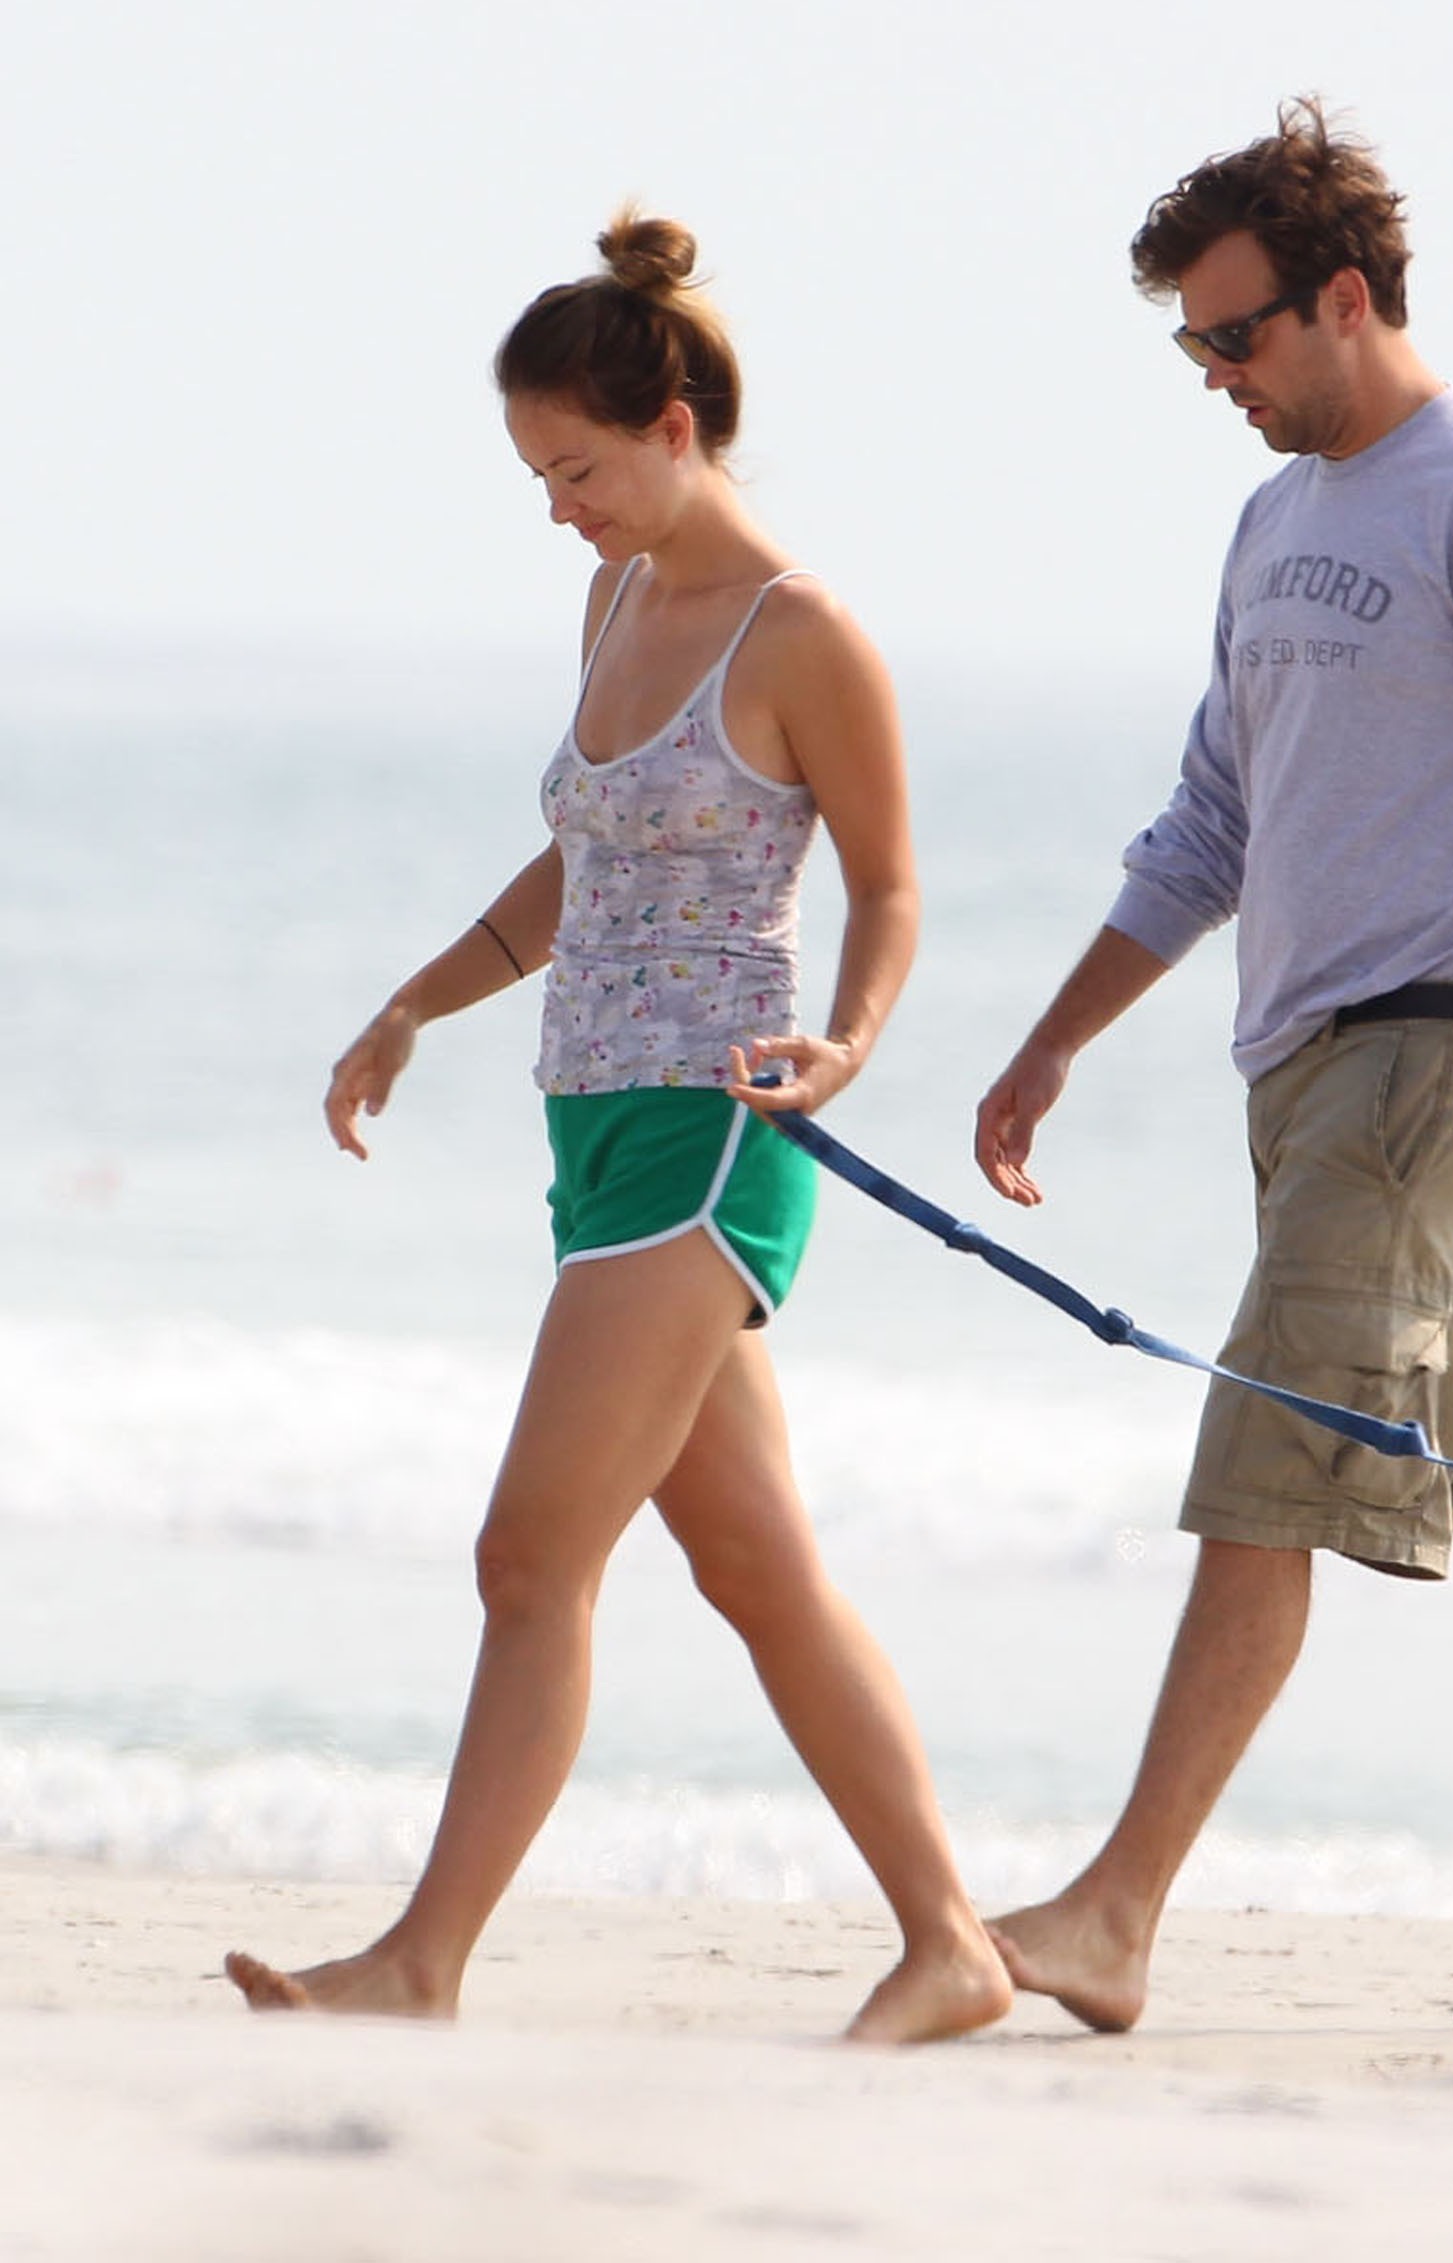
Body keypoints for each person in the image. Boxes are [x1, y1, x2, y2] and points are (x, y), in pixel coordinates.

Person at [971, 99, 1453, 2035]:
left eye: (1237, 337)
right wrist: (1052, 1043)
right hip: (1312, 1078)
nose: (1215, 377)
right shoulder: (1278, 519)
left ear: (1348, 297)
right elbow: (1211, 822)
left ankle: (1117, 1911)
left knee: (1266, 1468)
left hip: (1442, 1063)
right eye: (1194, 346)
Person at [223, 213, 1012, 2046]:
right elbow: (576, 866)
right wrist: (412, 1001)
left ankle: (420, 1961)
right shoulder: (609, 606)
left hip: (715, 1132)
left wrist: (853, 1041)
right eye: (536, 477)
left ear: (672, 422)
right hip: (590, 1134)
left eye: (573, 468)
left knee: (529, 1555)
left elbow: (892, 888)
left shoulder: (802, 630)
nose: (559, 508)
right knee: (755, 1565)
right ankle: (952, 1941)